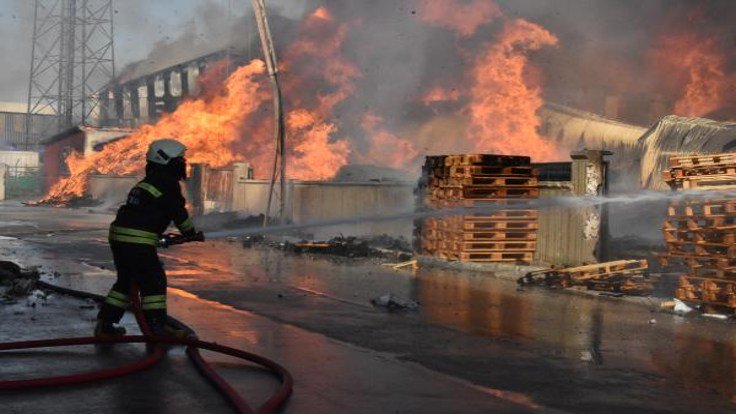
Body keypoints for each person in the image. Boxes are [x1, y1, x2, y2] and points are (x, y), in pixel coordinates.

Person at [95, 138, 200, 338]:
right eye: (180, 159)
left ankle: (105, 325)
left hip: (119, 237)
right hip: (137, 241)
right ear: (166, 160)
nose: (183, 163)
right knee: (154, 281)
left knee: (126, 282)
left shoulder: (148, 182)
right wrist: (190, 233)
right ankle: (157, 328)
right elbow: (178, 212)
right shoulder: (167, 183)